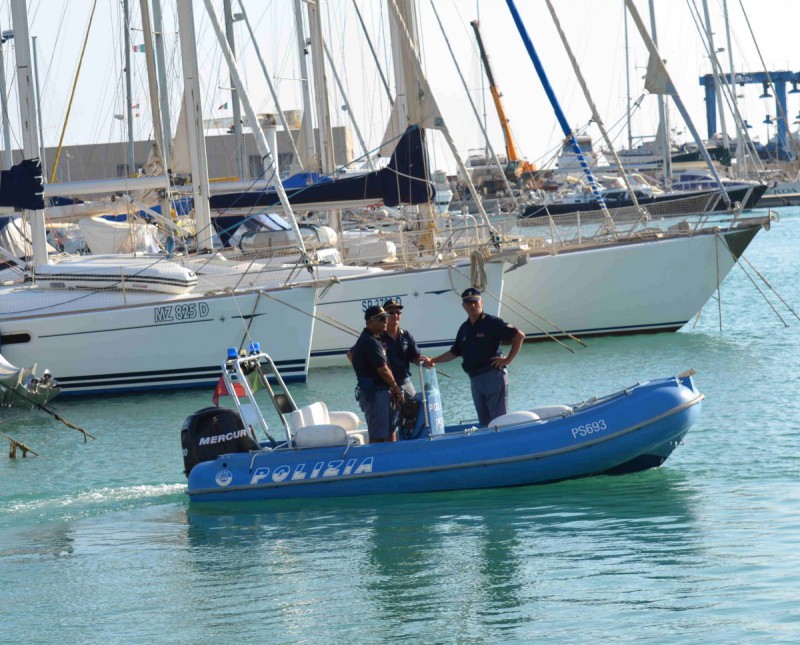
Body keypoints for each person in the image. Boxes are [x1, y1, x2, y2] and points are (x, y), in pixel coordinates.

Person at [426, 288, 525, 427]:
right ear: (463, 306)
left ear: (481, 302)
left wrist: (508, 359)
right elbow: (455, 352)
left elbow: (519, 336)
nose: (472, 306)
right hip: (475, 380)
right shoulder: (464, 328)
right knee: (484, 421)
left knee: (498, 421)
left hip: (492, 376)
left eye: (475, 302)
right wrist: (433, 360)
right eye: (468, 303)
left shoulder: (492, 322)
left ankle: (503, 445)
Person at [351, 305, 404, 443]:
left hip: (379, 392)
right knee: (378, 434)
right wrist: (396, 388)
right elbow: (383, 370)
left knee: (387, 429)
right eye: (381, 319)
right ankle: (377, 461)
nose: (385, 321)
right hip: (373, 395)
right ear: (370, 322)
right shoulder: (370, 341)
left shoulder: (373, 339)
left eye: (386, 318)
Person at [380, 298, 431, 398]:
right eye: (391, 313)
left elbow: (416, 357)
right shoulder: (378, 337)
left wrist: (426, 361)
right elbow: (353, 354)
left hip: (405, 383)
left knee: (416, 408)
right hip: (385, 386)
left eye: (398, 312)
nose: (395, 315)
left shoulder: (406, 335)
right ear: (384, 315)